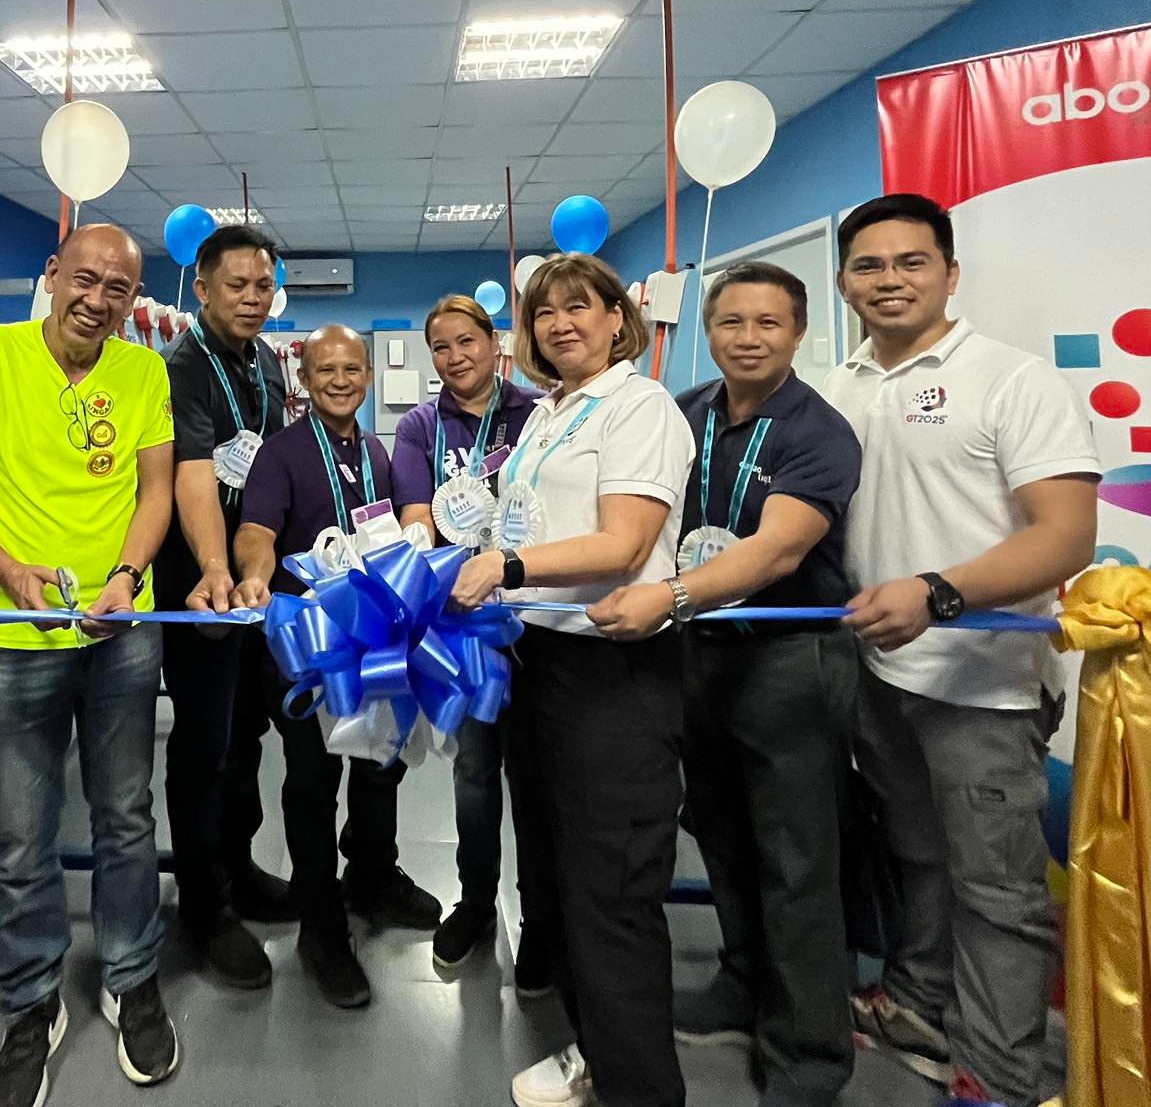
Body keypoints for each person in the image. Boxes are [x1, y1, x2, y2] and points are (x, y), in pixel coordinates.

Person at [821, 194, 1100, 1107]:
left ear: (949, 273)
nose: (889, 280)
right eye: (869, 266)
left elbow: (1066, 536)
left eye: (911, 262)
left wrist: (937, 594)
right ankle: (917, 1005)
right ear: (844, 283)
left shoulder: (1013, 381)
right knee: (916, 854)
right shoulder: (839, 389)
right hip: (878, 672)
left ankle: (1000, 1077)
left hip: (984, 686)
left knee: (997, 890)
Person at [0, 223, 180, 1107]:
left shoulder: (143, 371)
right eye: (84, 280)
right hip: (13, 638)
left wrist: (128, 576)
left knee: (126, 818)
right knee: (23, 835)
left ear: (133, 301)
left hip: (121, 633)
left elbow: (157, 490)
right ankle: (31, 1004)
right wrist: (7, 569)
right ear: (53, 274)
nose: (97, 301)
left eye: (118, 289)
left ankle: (131, 976)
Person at [590, 262, 864, 1107]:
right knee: (719, 833)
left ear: (799, 333)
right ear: (708, 331)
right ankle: (743, 982)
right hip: (697, 657)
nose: (748, 338)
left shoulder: (819, 432)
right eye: (732, 322)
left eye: (769, 323)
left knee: (797, 860)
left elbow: (777, 550)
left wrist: (671, 597)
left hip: (786, 661)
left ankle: (810, 1052)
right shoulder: (688, 413)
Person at [446, 255, 692, 1107]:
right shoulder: (551, 410)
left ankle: (639, 1088)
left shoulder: (639, 406)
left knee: (612, 889)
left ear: (618, 318)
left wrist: (506, 567)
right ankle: (597, 1051)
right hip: (538, 660)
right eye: (544, 313)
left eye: (579, 307)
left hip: (611, 669)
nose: (560, 325)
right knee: (559, 870)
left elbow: (625, 543)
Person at [231, 325, 443, 1008]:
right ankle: (321, 927)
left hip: (375, 642)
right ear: (305, 377)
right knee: (313, 782)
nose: (341, 380)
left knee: (381, 764)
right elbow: (257, 531)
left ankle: (373, 877)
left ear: (369, 376)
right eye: (326, 369)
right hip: (312, 650)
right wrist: (253, 575)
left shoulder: (376, 451)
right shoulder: (282, 453)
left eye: (353, 368)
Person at [151, 224, 295, 989]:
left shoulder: (265, 360)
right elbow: (196, 477)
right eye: (236, 285)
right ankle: (203, 907)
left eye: (263, 285)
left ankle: (240, 871)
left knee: (247, 733)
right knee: (204, 745)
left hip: (258, 581)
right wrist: (217, 568)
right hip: (200, 585)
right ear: (202, 289)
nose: (252, 298)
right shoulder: (182, 368)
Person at [389, 293, 545, 983]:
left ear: (494, 342)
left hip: (538, 616)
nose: (455, 357)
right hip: (465, 623)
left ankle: (541, 918)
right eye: (441, 347)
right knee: (475, 772)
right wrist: (426, 552)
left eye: (466, 341)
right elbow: (416, 515)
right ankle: (476, 901)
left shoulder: (538, 413)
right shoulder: (421, 426)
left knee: (537, 775)